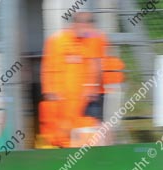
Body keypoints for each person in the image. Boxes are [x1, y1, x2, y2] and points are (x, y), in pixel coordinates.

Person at [39, 11, 114, 148]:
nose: (86, 30)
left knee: (96, 127)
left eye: (89, 25)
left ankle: (100, 154)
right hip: (68, 99)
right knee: (67, 131)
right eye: (83, 25)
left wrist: (92, 87)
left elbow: (97, 64)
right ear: (75, 24)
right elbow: (48, 67)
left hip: (91, 95)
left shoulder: (95, 38)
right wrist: (50, 91)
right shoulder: (57, 41)